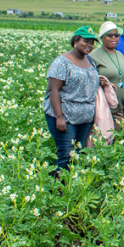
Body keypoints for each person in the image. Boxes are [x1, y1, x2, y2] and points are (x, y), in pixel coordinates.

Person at [43, 27, 100, 171]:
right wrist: (59, 117)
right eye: (85, 41)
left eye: (92, 43)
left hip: (85, 118)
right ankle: (59, 189)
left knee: (78, 153)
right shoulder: (61, 62)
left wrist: (102, 81)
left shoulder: (90, 61)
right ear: (76, 41)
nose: (89, 45)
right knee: (66, 154)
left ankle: (70, 186)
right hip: (66, 117)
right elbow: (53, 90)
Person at [89, 21, 124, 126]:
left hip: (119, 109)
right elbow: (88, 81)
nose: (114, 37)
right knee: (103, 139)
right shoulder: (93, 56)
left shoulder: (120, 55)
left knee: (117, 139)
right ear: (102, 38)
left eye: (116, 35)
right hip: (102, 109)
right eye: (110, 35)